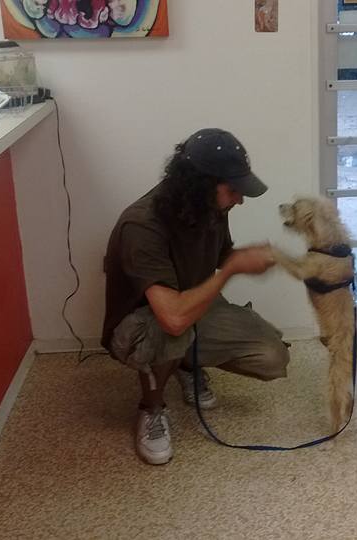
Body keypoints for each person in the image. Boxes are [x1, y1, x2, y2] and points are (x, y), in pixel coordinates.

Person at [101, 128, 290, 465]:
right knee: (174, 328)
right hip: (143, 324)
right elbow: (172, 316)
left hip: (192, 307)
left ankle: (185, 363)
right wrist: (233, 270)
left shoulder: (212, 208)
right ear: (200, 184)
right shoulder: (142, 225)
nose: (239, 199)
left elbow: (221, 256)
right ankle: (152, 409)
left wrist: (254, 258)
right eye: (233, 190)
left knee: (272, 357)